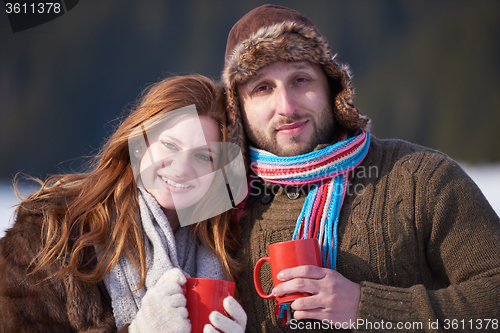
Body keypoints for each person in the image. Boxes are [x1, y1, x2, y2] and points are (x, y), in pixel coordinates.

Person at [222, 4, 500, 332]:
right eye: (262, 88)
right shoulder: (223, 202)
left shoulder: (420, 177)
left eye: (300, 79)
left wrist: (365, 307)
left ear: (332, 86)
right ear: (237, 108)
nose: (287, 107)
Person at [0, 75, 247, 332]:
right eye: (170, 145)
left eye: (202, 156)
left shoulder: (224, 251)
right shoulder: (51, 234)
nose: (182, 168)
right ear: (140, 146)